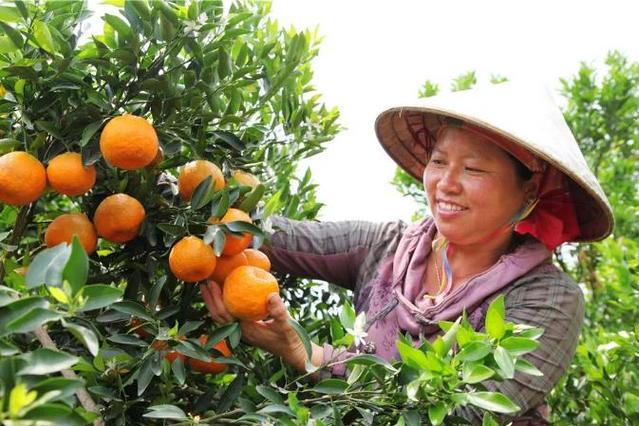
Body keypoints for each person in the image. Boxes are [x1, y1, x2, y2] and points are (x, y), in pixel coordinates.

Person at [200, 83, 613, 424]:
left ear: (528, 192)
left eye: (473, 169)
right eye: (439, 161)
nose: (445, 184)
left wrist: (311, 356)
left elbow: (460, 412)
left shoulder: (547, 298)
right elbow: (273, 237)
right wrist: (184, 198)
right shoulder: (387, 247)